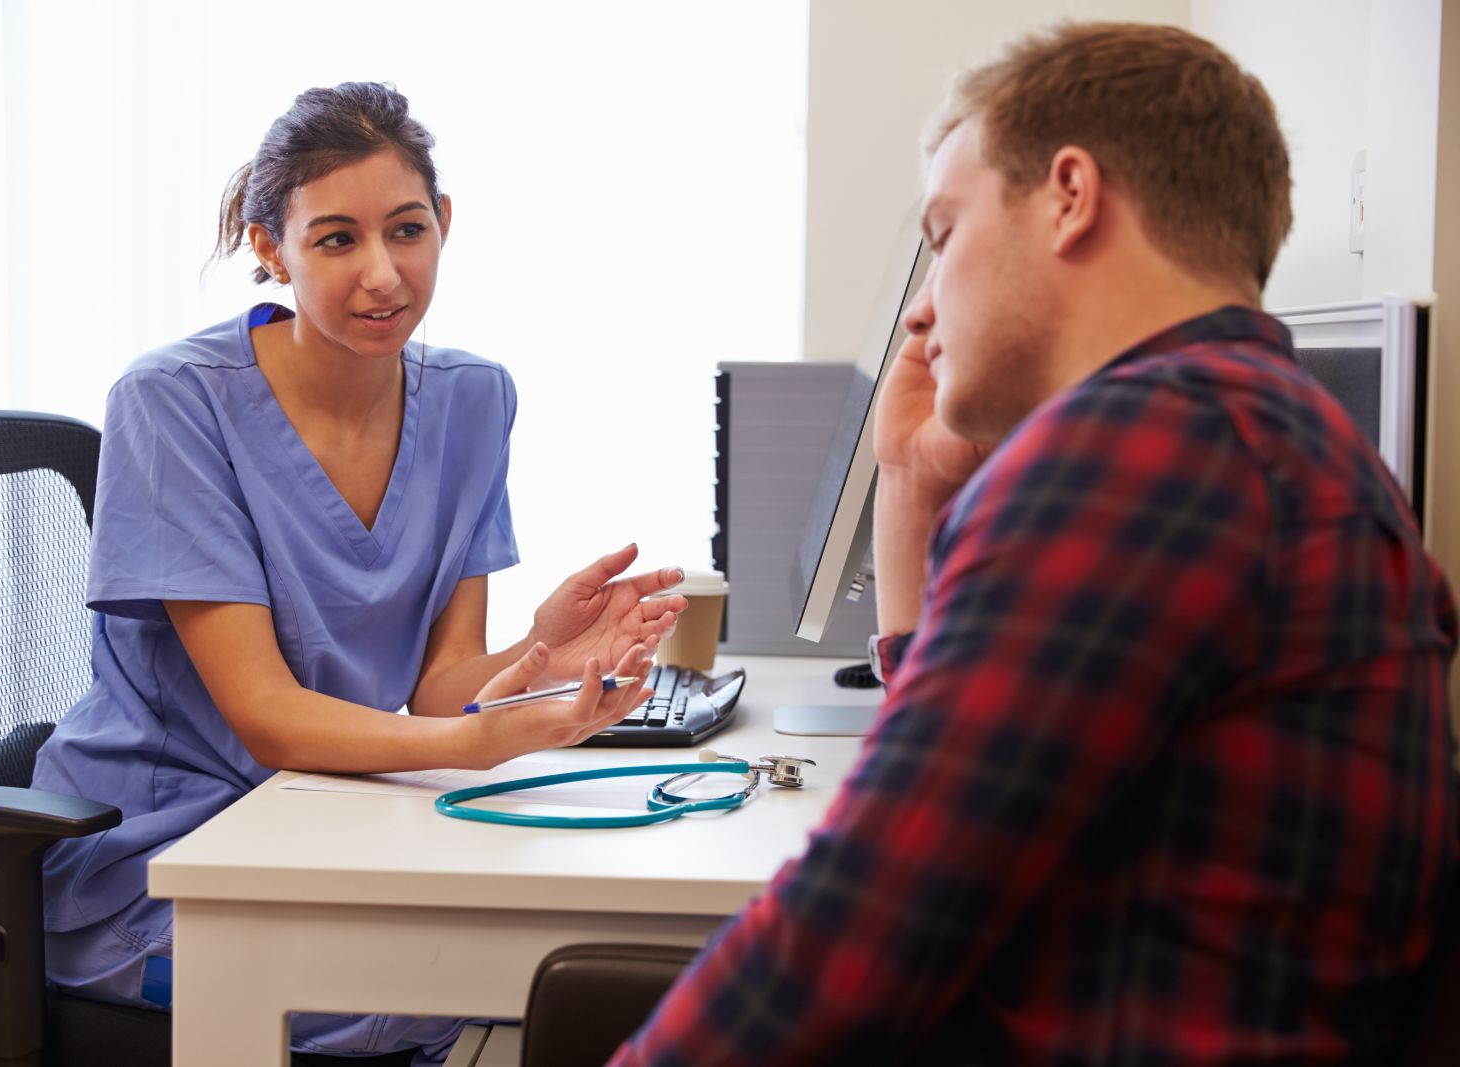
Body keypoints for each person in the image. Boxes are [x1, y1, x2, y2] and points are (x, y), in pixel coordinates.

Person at [614, 22, 1456, 1065]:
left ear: (1069, 194)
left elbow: (857, 926)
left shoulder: (1148, 447)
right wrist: (914, 487)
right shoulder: (1270, 435)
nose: (921, 307)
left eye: (943, 230)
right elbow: (966, 780)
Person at [31, 81, 685, 1064]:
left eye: (408, 230)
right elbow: (267, 714)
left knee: (584, 965)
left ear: (445, 224)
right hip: (173, 866)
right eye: (336, 239)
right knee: (481, 997)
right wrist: (481, 745)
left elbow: (437, 681)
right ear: (268, 245)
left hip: (341, 827)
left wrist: (542, 654)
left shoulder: (472, 398)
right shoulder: (173, 402)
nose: (384, 274)